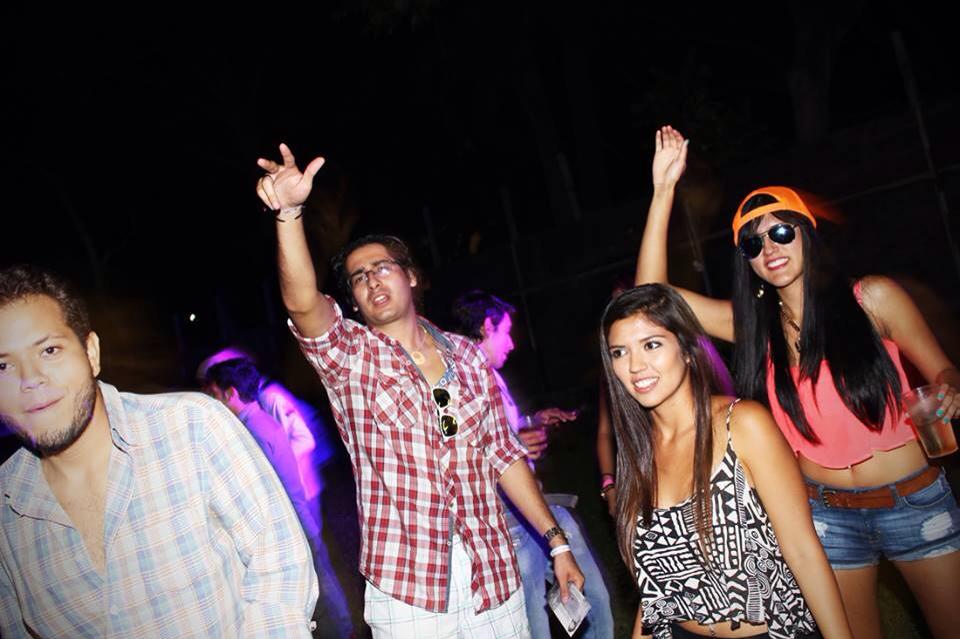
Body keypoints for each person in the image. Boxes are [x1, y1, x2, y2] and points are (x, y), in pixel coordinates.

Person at [636, 125, 960, 639]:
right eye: (753, 242)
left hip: (914, 501)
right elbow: (650, 301)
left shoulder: (872, 299)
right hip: (828, 515)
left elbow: (943, 370)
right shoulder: (753, 329)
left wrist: (948, 388)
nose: (769, 247)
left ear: (807, 233)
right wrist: (663, 192)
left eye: (781, 232)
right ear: (746, 260)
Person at [255, 143, 584, 638]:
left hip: (493, 576)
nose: (370, 280)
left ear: (410, 277)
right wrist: (288, 215)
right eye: (358, 278)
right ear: (354, 300)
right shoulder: (351, 357)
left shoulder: (467, 356)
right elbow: (303, 303)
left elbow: (503, 454)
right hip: (409, 591)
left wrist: (557, 543)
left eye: (382, 267)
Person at [0, 265, 318, 637]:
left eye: (49, 350)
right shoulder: (5, 512)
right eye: (2, 365)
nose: (29, 379)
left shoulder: (193, 427)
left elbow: (279, 563)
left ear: (91, 352)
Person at [601, 284, 852, 639]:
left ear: (687, 349)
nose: (635, 366)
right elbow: (656, 584)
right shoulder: (637, 451)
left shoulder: (743, 424)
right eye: (619, 352)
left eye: (651, 345)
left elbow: (803, 552)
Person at [453, 289, 614, 638]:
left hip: (532, 508)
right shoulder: (460, 380)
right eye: (506, 332)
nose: (511, 344)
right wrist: (514, 445)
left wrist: (532, 421)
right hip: (507, 518)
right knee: (535, 620)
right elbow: (458, 453)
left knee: (586, 597)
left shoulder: (490, 376)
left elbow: (499, 431)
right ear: (487, 326)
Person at [203, 357, 354, 638]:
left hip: (295, 524)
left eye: (214, 395)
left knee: (318, 588)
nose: (213, 403)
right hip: (299, 519)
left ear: (230, 393)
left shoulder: (254, 430)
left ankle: (343, 632)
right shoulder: (259, 421)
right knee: (320, 583)